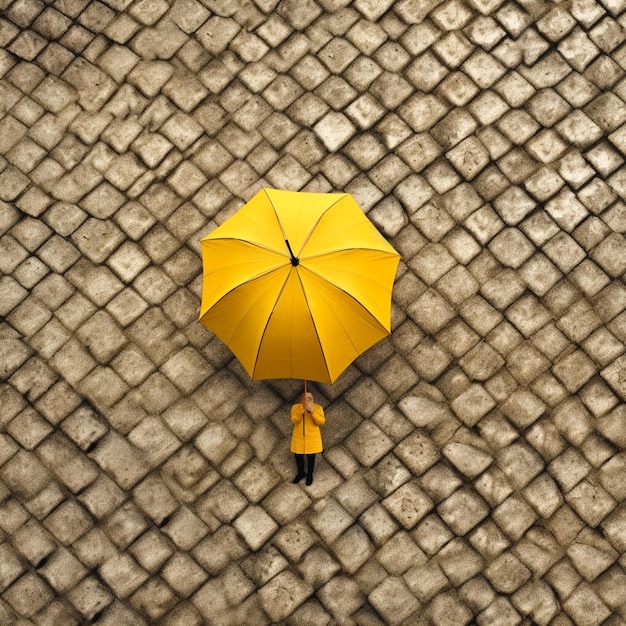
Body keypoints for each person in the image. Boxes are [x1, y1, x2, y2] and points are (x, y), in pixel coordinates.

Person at [291, 391, 325, 486]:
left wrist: (312, 412)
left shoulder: (318, 408)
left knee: (311, 456)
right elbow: (294, 420)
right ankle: (301, 472)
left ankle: (310, 474)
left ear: (313, 399)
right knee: (298, 455)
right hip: (299, 436)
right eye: (305, 398)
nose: (308, 400)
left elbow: (321, 421)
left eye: (310, 398)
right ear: (301, 399)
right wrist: (301, 411)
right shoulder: (295, 407)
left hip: (312, 436)